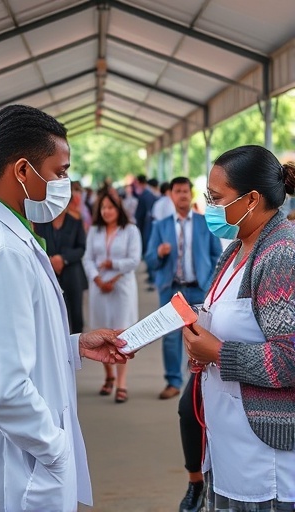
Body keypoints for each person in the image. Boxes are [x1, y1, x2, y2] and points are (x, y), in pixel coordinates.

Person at [0, 105, 132, 511]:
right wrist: (56, 448)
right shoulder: (2, 250)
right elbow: (7, 388)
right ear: (24, 171)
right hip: (18, 467)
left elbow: (1, 342)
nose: (67, 183)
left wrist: (74, 344)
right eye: (60, 172)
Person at [183, 145, 295, 511]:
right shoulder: (234, 250)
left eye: (216, 198)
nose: (209, 207)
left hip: (266, 457)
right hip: (229, 442)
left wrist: (216, 352)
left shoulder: (280, 255)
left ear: (251, 199)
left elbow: (289, 358)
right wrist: (201, 346)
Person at [145, 176, 222, 512]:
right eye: (176, 191)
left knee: (198, 345)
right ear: (170, 194)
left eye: (185, 191)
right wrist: (159, 254)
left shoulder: (205, 224)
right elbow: (148, 259)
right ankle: (173, 381)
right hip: (171, 290)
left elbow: (213, 256)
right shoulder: (161, 225)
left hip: (197, 290)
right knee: (173, 345)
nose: (181, 195)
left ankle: (191, 381)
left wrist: (207, 290)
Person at [83, 188, 142, 403]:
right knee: (102, 332)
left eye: (111, 207)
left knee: (121, 334)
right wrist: (97, 279)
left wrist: (112, 268)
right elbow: (87, 258)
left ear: (118, 209)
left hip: (121, 287)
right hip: (99, 288)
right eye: (104, 208)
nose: (107, 211)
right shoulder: (95, 231)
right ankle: (108, 376)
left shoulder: (130, 230)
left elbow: (134, 260)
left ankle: (121, 382)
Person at [35, 191, 88, 334]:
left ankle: (78, 346)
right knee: (54, 313)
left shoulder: (75, 222)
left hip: (72, 274)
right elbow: (37, 245)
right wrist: (51, 260)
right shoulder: (42, 224)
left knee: (75, 313)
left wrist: (63, 259)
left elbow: (81, 248)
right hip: (50, 272)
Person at [134, 174, 158, 289]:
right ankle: (151, 276)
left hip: (146, 227)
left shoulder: (144, 195)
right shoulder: (150, 195)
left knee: (149, 250)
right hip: (150, 226)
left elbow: (140, 214)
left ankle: (152, 278)